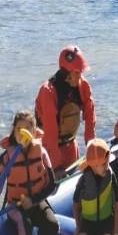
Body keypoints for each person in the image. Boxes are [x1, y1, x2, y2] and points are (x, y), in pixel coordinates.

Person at [0, 111, 58, 235]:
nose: (23, 133)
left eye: (28, 129)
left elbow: (52, 184)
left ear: (34, 132)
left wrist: (33, 200)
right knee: (24, 223)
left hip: (36, 201)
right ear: (13, 131)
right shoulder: (7, 158)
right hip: (15, 206)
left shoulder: (41, 152)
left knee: (52, 225)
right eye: (19, 129)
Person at [36, 46, 96, 176]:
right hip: (48, 152)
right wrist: (56, 167)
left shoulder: (83, 86)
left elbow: (90, 117)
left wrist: (92, 147)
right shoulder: (48, 92)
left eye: (81, 72)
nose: (80, 76)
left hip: (71, 148)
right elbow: (50, 133)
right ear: (66, 73)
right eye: (77, 72)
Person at [69, 139, 118, 235]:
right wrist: (78, 227)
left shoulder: (111, 175)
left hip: (106, 222)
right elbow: (75, 204)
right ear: (92, 165)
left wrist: (115, 232)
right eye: (103, 164)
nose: (107, 166)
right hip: (88, 222)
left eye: (107, 163)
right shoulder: (84, 180)